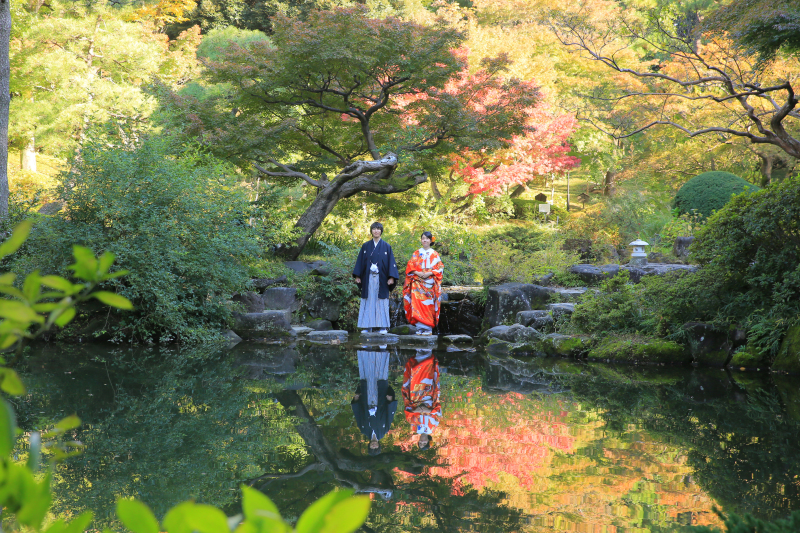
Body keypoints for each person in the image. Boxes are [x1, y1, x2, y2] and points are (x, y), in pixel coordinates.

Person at [353, 222, 400, 334]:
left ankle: (383, 327)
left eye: (378, 229)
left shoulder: (387, 246)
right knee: (368, 300)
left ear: (381, 231)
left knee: (381, 301)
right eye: (374, 229)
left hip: (382, 278)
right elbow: (360, 261)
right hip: (368, 278)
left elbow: (391, 263)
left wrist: (391, 277)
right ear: (371, 231)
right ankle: (366, 326)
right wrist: (358, 275)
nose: (376, 231)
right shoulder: (365, 246)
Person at [352, 348, 397, 455]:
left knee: (366, 378)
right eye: (375, 448)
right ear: (379, 446)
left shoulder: (363, 430)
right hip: (380, 401)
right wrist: (390, 402)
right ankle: (382, 349)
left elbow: (358, 414)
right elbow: (390, 415)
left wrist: (356, 399)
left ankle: (365, 350)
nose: (373, 446)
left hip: (366, 400)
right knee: (380, 377)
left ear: (368, 445)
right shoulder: (384, 430)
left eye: (371, 448)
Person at [402, 231, 443, 336]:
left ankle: (428, 328)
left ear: (430, 240)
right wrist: (418, 273)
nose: (424, 240)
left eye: (427, 238)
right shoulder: (416, 253)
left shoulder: (434, 253)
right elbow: (410, 267)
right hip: (417, 282)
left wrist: (429, 272)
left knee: (428, 304)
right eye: (423, 238)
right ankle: (420, 328)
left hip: (429, 283)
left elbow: (440, 268)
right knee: (417, 304)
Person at [402, 349, 441, 450]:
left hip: (416, 397)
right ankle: (427, 352)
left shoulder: (415, 429)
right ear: (429, 441)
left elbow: (408, 415)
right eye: (425, 443)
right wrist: (428, 411)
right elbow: (438, 412)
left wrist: (415, 410)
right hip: (429, 396)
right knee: (428, 375)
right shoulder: (432, 428)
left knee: (415, 375)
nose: (422, 442)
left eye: (420, 443)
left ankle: (418, 352)